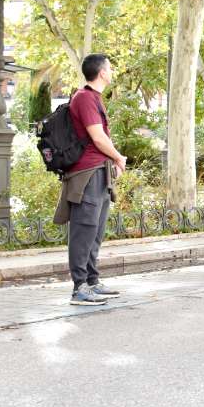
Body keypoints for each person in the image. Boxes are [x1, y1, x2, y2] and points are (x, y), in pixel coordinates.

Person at [55, 54, 127, 306]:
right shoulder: (84, 98)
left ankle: (92, 281)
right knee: (83, 229)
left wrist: (113, 161)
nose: (112, 71)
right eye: (110, 68)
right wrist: (119, 158)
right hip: (86, 174)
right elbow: (97, 138)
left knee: (95, 230)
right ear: (101, 72)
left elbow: (101, 138)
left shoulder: (94, 98)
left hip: (99, 170)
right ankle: (79, 288)